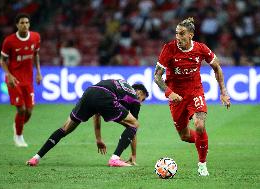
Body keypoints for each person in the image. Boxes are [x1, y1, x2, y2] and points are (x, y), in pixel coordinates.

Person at [154, 17, 231, 176]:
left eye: (181, 34)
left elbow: (217, 67)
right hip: (176, 97)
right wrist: (170, 92)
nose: (178, 37)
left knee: (199, 125)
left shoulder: (201, 49)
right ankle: (203, 143)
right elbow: (157, 76)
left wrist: (223, 91)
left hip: (195, 91)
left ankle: (202, 164)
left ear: (191, 35)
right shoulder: (169, 49)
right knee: (184, 135)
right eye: (176, 33)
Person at [26, 79, 149, 167]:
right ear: (140, 93)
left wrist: (98, 139)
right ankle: (115, 158)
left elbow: (97, 112)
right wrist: (133, 155)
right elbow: (133, 128)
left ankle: (35, 158)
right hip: (106, 96)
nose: (141, 102)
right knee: (134, 124)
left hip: (89, 92)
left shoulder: (120, 83)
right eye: (142, 99)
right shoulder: (135, 98)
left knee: (65, 128)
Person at [0, 13, 42, 147]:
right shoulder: (9, 41)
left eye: (27, 22)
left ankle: (17, 125)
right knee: (22, 109)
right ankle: (19, 136)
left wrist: (38, 73)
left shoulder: (35, 37)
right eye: (22, 23)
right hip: (14, 80)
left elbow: (36, 55)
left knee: (29, 111)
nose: (25, 25)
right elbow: (2, 60)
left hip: (28, 79)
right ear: (17, 25)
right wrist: (9, 75)